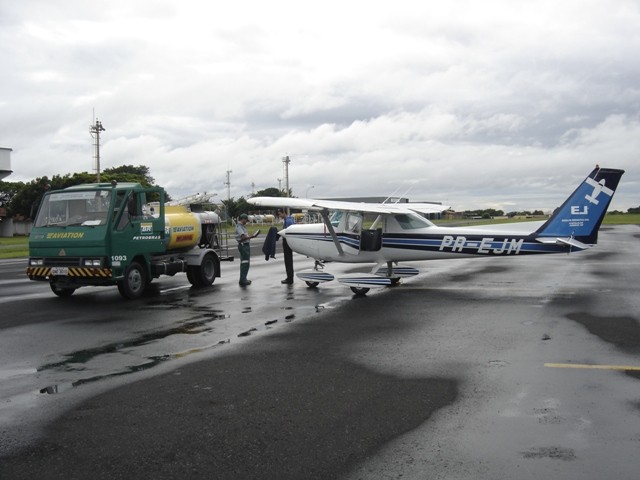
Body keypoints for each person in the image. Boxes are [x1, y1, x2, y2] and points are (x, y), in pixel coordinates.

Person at [235, 213, 259, 286]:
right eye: (246, 220)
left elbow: (244, 235)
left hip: (245, 245)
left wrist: (250, 236)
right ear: (243, 219)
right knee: (245, 263)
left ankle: (244, 278)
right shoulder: (239, 226)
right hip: (243, 245)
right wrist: (252, 236)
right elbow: (242, 237)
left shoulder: (242, 226)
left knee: (245, 263)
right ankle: (242, 280)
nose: (246, 221)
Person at [277, 209, 295, 284]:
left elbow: (288, 232)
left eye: (280, 214)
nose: (279, 216)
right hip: (288, 242)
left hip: (287, 242)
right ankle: (289, 277)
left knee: (288, 261)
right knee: (288, 260)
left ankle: (290, 279)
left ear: (284, 213)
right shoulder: (289, 220)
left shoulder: (288, 221)